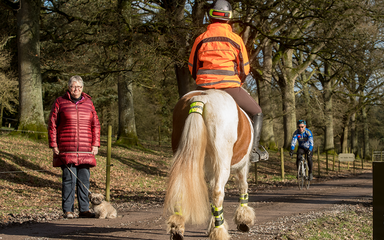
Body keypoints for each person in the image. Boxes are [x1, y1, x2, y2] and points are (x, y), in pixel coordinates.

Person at [188, 0, 268, 162]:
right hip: (229, 87)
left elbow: (192, 67)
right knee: (257, 111)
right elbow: (244, 69)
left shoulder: (200, 39)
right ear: (228, 17)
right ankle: (253, 151)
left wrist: (203, 80)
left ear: (210, 16)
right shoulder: (236, 40)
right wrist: (239, 82)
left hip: (203, 87)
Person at [48, 75, 101, 219]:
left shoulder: (89, 103)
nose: (76, 89)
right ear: (69, 88)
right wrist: (54, 145)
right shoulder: (60, 102)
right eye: (73, 86)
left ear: (82, 88)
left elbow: (95, 125)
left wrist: (95, 144)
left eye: (79, 87)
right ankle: (68, 210)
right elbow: (52, 124)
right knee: (69, 180)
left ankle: (84, 209)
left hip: (85, 149)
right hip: (66, 148)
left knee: (84, 180)